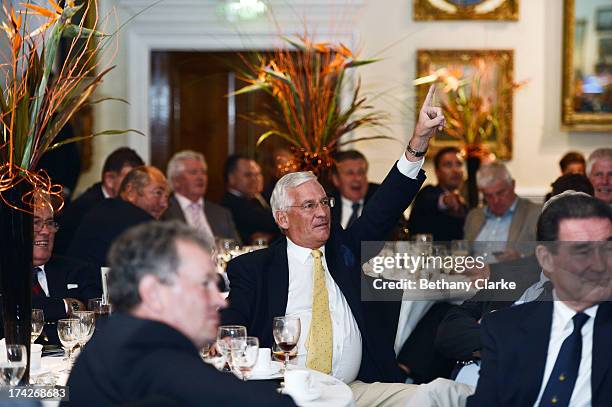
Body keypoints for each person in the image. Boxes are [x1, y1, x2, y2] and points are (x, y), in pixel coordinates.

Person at [221, 85, 445, 406]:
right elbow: (232, 332)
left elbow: (383, 211)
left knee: (442, 396)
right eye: (309, 206)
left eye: (324, 202)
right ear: (282, 218)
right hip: (288, 395)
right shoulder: (254, 269)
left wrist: (419, 142)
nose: (322, 212)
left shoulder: (344, 252)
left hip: (357, 390)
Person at [64, 221, 295, 406]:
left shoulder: (111, 339)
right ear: (153, 292)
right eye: (205, 284)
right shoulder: (149, 356)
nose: (219, 301)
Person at [467, 193, 612, 406]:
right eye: (582, 251)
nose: (600, 265)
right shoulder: (504, 330)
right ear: (546, 259)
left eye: (608, 248)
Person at [0, 192, 101, 344]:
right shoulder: (5, 271)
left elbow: (95, 313)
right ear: (14, 228)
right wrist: (67, 305)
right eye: (35, 222)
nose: (46, 231)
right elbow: (13, 309)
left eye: (49, 223)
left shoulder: (78, 270)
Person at [67, 166, 169, 268]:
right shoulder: (138, 221)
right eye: (158, 193)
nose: (164, 204)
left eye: (166, 197)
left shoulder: (102, 207)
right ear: (130, 192)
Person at [54, 147, 144, 254]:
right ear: (110, 179)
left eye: (139, 181)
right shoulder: (87, 207)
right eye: (129, 179)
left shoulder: (127, 204)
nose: (136, 187)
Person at [464, 161, 541, 262]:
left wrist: (521, 258)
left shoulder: (535, 214)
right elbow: (463, 254)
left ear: (512, 185)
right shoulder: (474, 216)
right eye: (489, 196)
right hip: (472, 276)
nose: (495, 201)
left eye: (500, 193)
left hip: (513, 275)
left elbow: (549, 257)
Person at [162, 150, 240, 242]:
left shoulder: (221, 213)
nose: (200, 177)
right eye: (193, 172)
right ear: (175, 181)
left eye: (203, 172)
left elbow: (236, 248)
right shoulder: (164, 211)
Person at [407, 146, 467, 241]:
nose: (455, 170)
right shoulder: (428, 193)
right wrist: (445, 201)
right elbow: (430, 201)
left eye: (459, 164)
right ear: (437, 171)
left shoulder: (464, 203)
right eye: (448, 165)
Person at [220, 154, 278, 244]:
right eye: (248, 175)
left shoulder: (268, 195)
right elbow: (271, 223)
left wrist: (272, 236)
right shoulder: (228, 205)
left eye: (258, 174)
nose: (255, 179)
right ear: (231, 178)